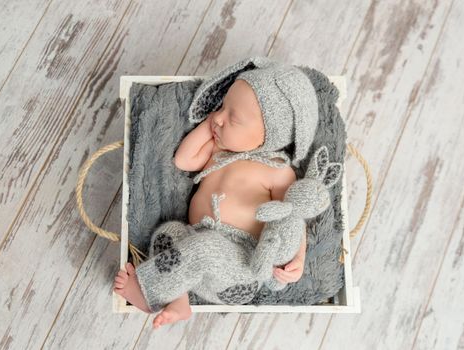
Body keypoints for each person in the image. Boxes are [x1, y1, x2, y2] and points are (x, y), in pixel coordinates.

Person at [114, 56, 319, 329]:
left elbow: (293, 216)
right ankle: (178, 299)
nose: (219, 117)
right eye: (222, 106)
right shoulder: (218, 152)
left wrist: (298, 257)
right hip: (198, 247)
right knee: (169, 234)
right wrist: (212, 124)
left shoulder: (277, 170)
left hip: (242, 263)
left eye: (233, 117)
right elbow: (183, 160)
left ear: (269, 135)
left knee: (203, 248)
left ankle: (148, 292)